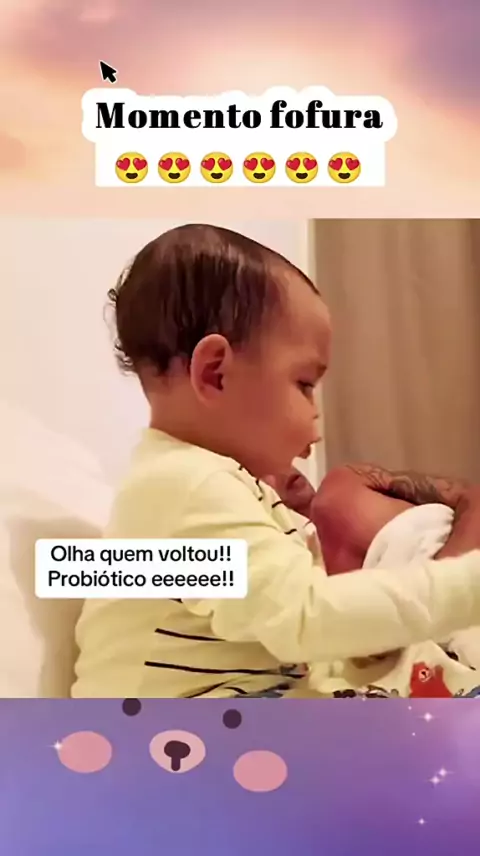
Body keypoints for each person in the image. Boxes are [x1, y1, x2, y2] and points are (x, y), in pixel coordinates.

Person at [72, 224, 480, 699]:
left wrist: (371, 649)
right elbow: (304, 619)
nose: (314, 413)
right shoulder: (184, 485)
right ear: (215, 373)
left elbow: (295, 630)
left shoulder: (211, 487)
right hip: (169, 732)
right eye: (304, 384)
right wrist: (466, 586)